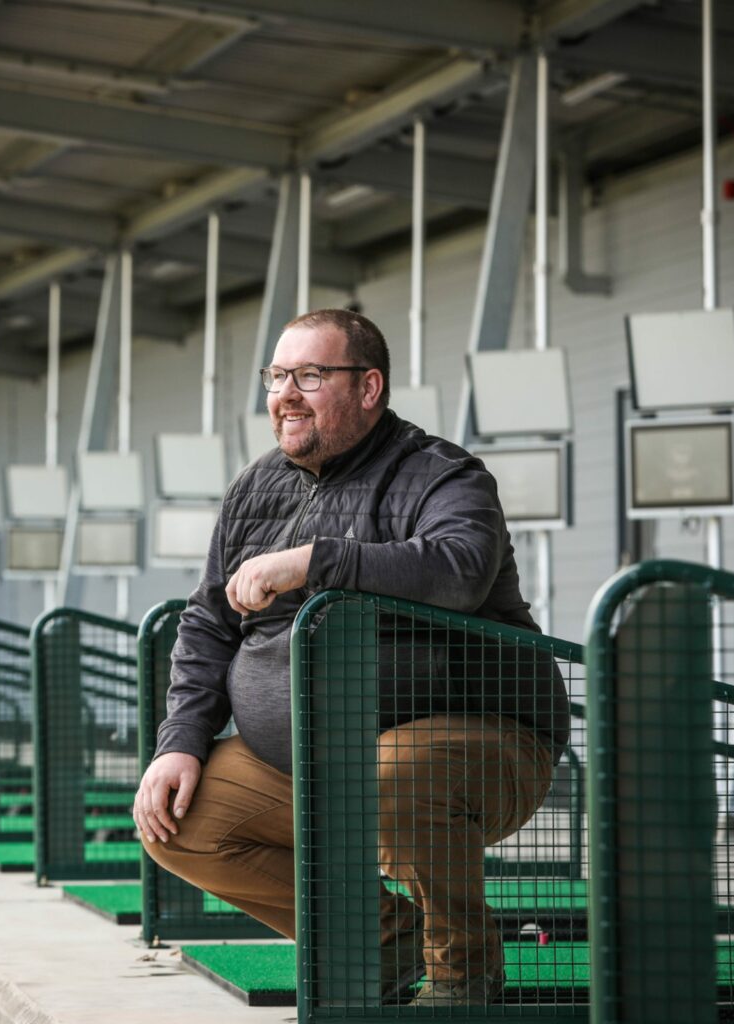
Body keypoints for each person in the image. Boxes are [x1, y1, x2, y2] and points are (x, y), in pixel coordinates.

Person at [134, 308, 569, 1007]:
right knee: (181, 820)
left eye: (310, 375)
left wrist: (313, 563)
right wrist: (180, 741)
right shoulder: (255, 488)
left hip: (483, 737)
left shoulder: (444, 475)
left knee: (391, 774)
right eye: (278, 376)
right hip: (309, 757)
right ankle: (379, 936)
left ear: (369, 388)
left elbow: (458, 570)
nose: (286, 394)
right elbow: (209, 623)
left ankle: (465, 973)